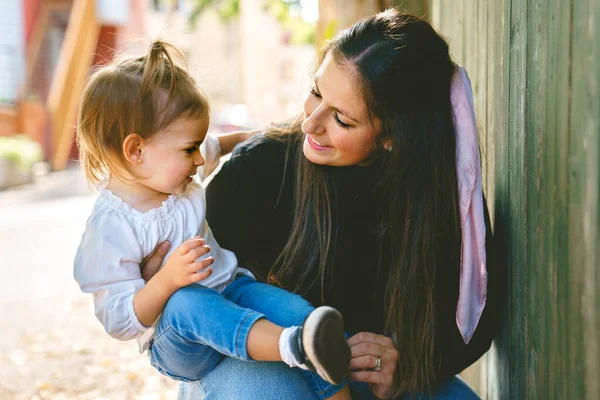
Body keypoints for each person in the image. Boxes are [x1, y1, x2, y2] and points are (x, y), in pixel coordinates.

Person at [142, 9, 503, 400]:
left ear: (395, 137)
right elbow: (185, 318)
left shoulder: (443, 194)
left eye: (342, 121)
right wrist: (155, 277)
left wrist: (411, 364)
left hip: (361, 378)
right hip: (257, 368)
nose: (311, 124)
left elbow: (478, 318)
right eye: (316, 92)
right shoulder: (259, 167)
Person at [72, 41, 355, 400]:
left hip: (231, 290)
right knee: (189, 302)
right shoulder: (111, 228)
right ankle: (290, 347)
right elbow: (120, 320)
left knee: (299, 311)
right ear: (136, 150)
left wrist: (262, 139)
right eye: (189, 148)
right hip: (179, 337)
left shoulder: (170, 169)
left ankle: (316, 357)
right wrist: (167, 280)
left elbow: (217, 146)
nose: (197, 159)